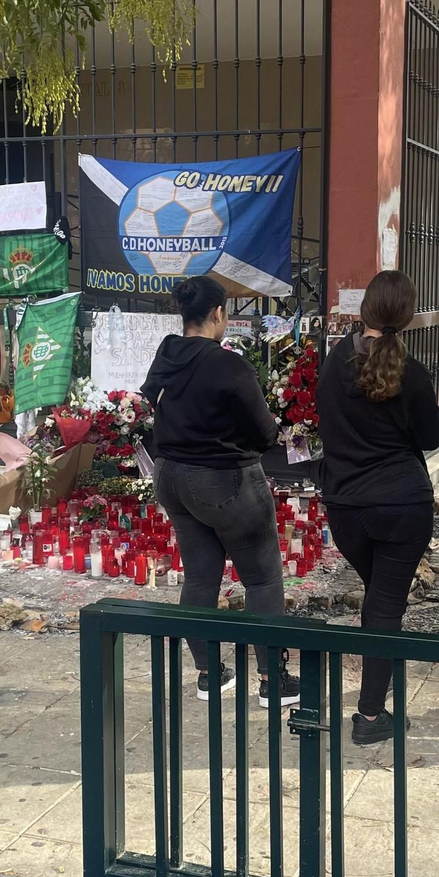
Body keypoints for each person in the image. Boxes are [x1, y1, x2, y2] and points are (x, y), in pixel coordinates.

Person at [142, 276, 300, 707]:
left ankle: (211, 674)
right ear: (217, 314)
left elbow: (151, 400)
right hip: (224, 479)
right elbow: (265, 432)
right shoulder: (229, 365)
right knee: (263, 577)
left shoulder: (167, 352)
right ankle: (273, 681)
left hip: (172, 476)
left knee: (199, 576)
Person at [318, 271, 439, 746]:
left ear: (364, 309)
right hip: (400, 504)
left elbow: (327, 424)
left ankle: (376, 699)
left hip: (346, 507)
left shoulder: (334, 362)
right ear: (407, 316)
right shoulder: (411, 372)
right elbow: (431, 437)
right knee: (385, 607)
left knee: (379, 601)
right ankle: (370, 716)